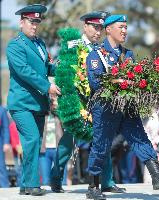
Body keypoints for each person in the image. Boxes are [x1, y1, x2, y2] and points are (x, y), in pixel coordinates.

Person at [86, 14, 159, 200]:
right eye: (121, 27)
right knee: (101, 146)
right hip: (105, 108)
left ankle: (156, 175)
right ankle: (93, 186)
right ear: (108, 29)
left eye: (126, 27)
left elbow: (136, 80)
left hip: (127, 107)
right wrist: (120, 81)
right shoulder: (97, 55)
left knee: (140, 139)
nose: (124, 31)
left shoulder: (128, 55)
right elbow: (96, 82)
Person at [50, 11, 125, 194]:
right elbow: (64, 74)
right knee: (69, 140)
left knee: (102, 140)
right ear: (85, 26)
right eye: (94, 27)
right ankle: (56, 178)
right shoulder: (73, 45)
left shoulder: (102, 49)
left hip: (97, 101)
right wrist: (66, 101)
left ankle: (106, 181)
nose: (97, 31)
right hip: (77, 101)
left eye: (100, 28)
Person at [6, 4, 61, 196]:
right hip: (21, 103)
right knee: (31, 140)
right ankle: (31, 183)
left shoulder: (40, 44)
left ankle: (24, 185)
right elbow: (24, 71)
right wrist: (48, 86)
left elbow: (47, 67)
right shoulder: (15, 45)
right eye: (31, 21)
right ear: (22, 23)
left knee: (35, 143)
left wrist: (64, 67)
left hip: (38, 103)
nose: (35, 25)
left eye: (37, 22)